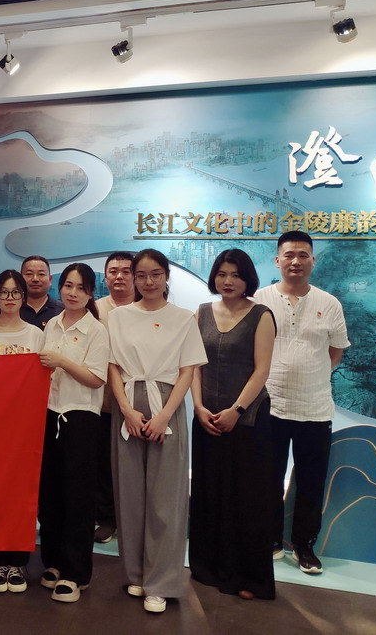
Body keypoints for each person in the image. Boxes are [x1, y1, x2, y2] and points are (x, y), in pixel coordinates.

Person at [107, 249, 207, 614]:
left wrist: (165, 415)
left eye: (155, 274)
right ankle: (135, 573)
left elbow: (187, 370)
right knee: (130, 495)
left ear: (166, 277)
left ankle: (161, 581)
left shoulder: (183, 318)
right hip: (128, 405)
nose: (148, 282)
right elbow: (113, 367)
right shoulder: (118, 317)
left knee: (166, 499)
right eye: (141, 275)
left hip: (167, 405)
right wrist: (126, 410)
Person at [253, 230, 350, 575]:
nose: (296, 261)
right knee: (267, 478)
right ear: (277, 260)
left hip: (315, 407)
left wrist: (310, 372)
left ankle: (304, 546)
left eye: (303, 255)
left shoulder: (329, 303)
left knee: (311, 481)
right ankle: (271, 540)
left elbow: (335, 351)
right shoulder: (259, 299)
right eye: (289, 255)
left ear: (313, 260)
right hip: (270, 405)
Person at [189, 249, 277, 600]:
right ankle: (208, 568)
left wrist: (236, 410)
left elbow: (262, 370)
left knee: (245, 500)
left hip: (247, 421)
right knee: (209, 494)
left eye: (236, 275)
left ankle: (247, 577)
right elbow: (194, 365)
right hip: (206, 418)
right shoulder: (201, 313)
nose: (228, 281)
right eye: (222, 274)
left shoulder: (261, 315)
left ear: (247, 279)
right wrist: (197, 407)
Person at [37, 263, 109, 604]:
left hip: (81, 418)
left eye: (81, 288)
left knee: (78, 498)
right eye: (68, 285)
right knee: (51, 494)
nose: (73, 293)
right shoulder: (52, 324)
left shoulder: (97, 330)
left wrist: (62, 361)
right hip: (49, 414)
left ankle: (76, 573)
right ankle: (53, 562)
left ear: (90, 293)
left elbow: (96, 378)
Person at [0, 270, 45, 595]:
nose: (9, 298)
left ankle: (18, 561)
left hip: (24, 426)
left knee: (21, 495)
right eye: (3, 292)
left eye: (15, 292)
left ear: (23, 296)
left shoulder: (36, 335)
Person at [92, 251, 134, 545]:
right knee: (103, 465)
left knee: (132, 465)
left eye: (126, 271)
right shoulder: (95, 309)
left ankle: (131, 520)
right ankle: (107, 519)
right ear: (105, 277)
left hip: (137, 402)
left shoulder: (146, 307)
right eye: (113, 271)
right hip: (101, 401)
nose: (119, 276)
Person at [19, 255, 63, 329]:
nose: (35, 279)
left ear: (50, 279)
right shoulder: (12, 309)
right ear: (20, 278)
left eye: (41, 274)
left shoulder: (62, 311)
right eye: (29, 274)